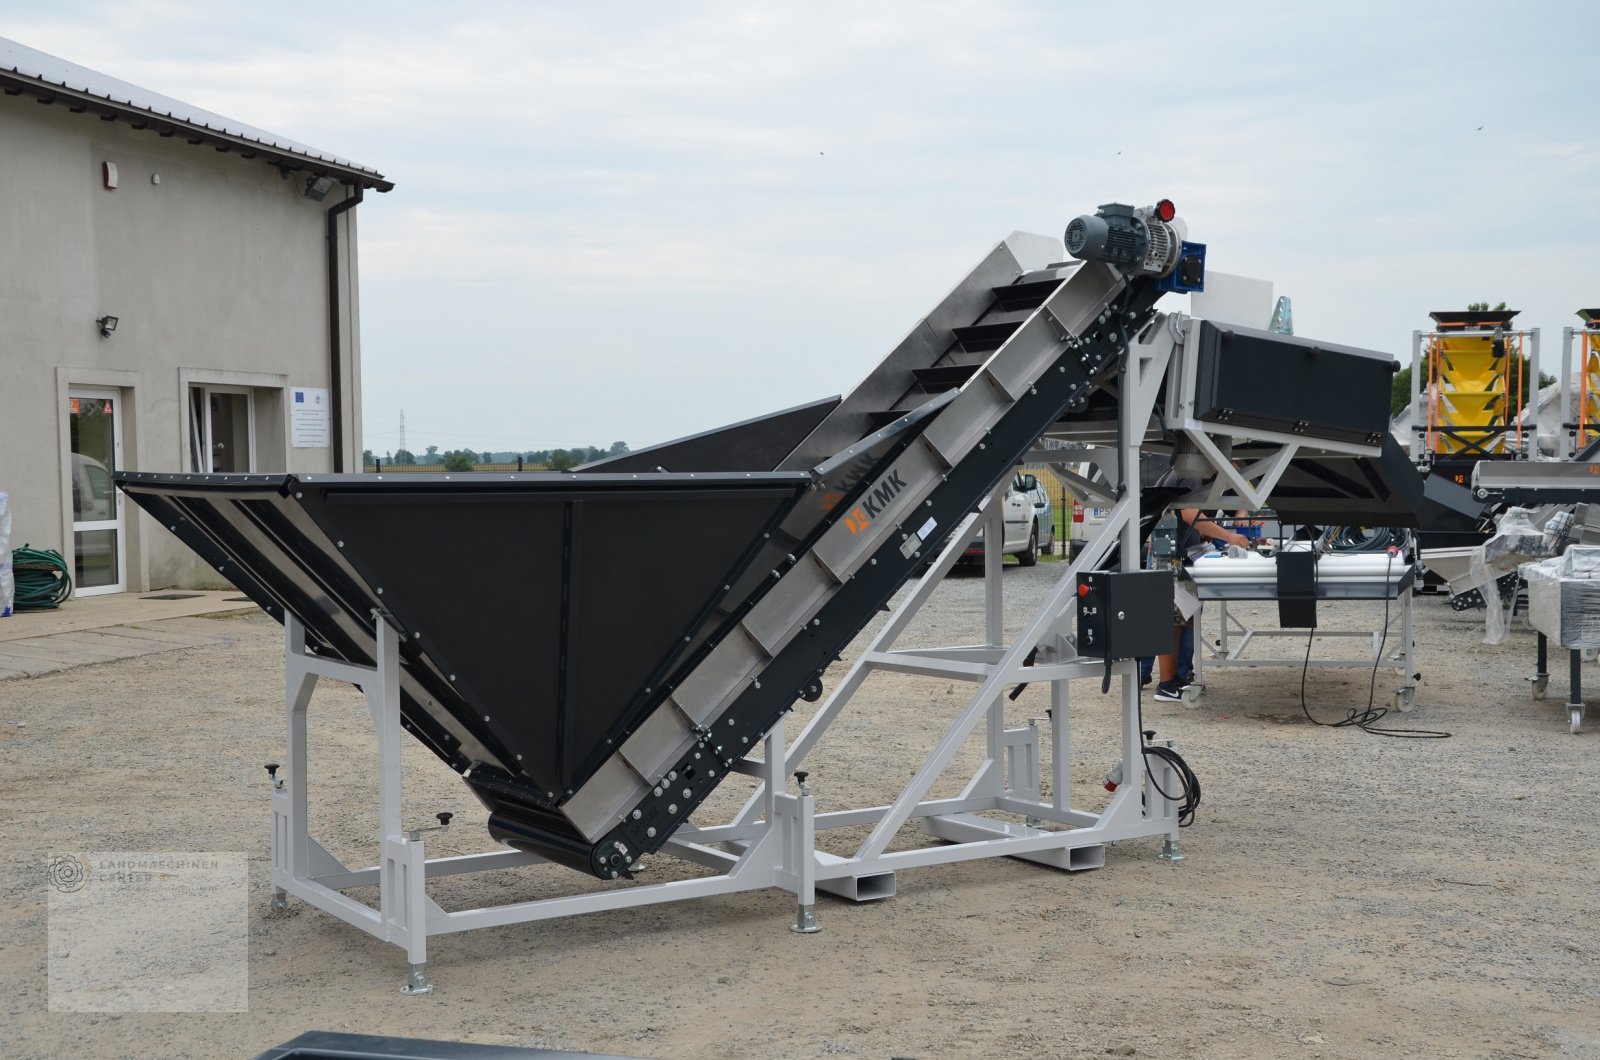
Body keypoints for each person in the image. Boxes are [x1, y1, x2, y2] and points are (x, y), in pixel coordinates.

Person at [1149, 506, 1251, 703]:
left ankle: (1173, 679)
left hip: (1175, 554)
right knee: (1173, 623)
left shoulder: (1186, 477)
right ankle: (1166, 685)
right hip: (1171, 557)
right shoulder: (1190, 477)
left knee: (1183, 618)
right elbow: (1191, 515)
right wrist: (1228, 536)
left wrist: (1204, 534)